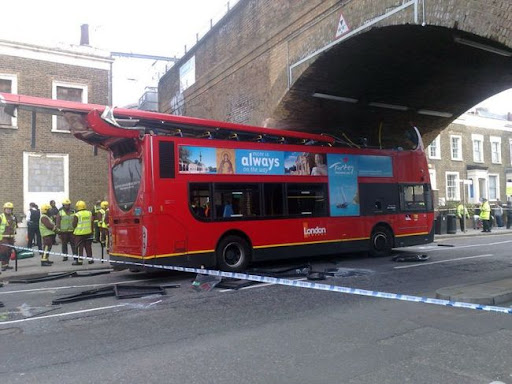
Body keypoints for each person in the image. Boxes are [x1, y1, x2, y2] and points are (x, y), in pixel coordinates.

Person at [72, 200, 93, 265]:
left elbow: (74, 225)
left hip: (79, 234)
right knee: (88, 246)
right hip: (88, 233)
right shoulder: (89, 213)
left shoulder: (77, 214)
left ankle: (80, 260)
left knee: (79, 247)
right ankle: (90, 259)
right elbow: (92, 222)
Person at [0, 202, 17, 271]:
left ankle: (7, 264)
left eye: (10, 209)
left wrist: (14, 236)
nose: (8, 210)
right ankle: (3, 265)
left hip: (11, 237)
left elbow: (14, 226)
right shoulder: (1, 216)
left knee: (9, 251)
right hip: (3, 237)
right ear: (4, 209)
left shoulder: (13, 217)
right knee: (4, 251)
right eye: (7, 209)